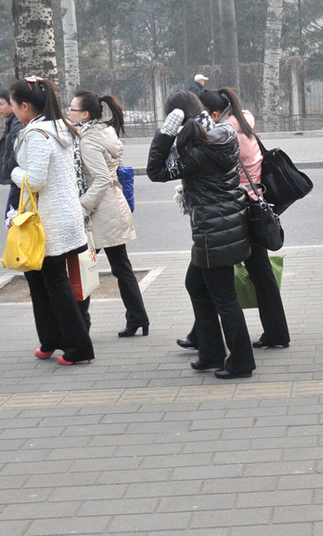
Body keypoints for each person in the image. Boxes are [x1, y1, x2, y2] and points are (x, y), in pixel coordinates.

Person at [146, 90, 256, 380]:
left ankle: (241, 361)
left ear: (178, 117)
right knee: (196, 284)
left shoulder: (196, 150)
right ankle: (211, 352)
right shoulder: (221, 134)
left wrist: (166, 132)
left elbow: (155, 171)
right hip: (229, 226)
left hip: (212, 232)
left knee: (225, 298)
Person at [194, 87, 290, 350]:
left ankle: (274, 334)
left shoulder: (227, 134)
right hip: (251, 205)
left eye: (200, 114)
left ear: (214, 113)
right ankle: (276, 333)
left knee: (211, 273)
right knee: (256, 273)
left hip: (241, 208)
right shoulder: (240, 124)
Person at [8, 76, 95, 365]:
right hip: (64, 218)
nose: (10, 110)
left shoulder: (37, 134)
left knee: (54, 284)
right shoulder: (60, 128)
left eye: (12, 105)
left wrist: (14, 173)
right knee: (40, 279)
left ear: (24, 106)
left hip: (49, 224)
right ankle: (50, 340)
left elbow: (34, 180)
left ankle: (78, 348)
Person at [67, 89, 150, 338]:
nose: (67, 112)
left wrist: (82, 207)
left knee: (84, 267)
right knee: (119, 267)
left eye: (72, 109)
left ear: (85, 114)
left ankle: (80, 325)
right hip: (112, 207)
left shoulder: (88, 140)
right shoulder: (103, 132)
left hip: (101, 212)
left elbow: (101, 178)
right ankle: (138, 318)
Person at [0, 90, 25, 217]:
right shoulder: (12, 123)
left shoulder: (17, 125)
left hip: (18, 180)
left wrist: (10, 168)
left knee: (12, 218)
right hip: (16, 179)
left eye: (1, 104)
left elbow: (15, 152)